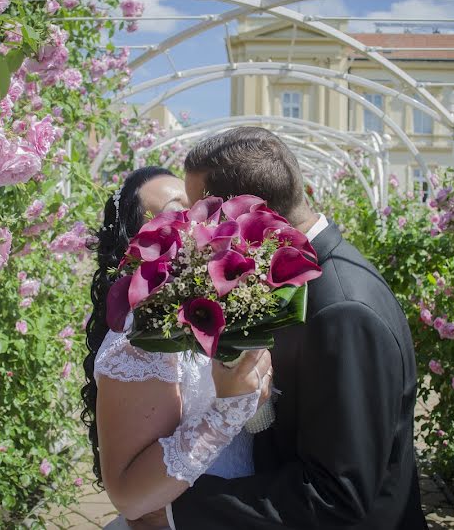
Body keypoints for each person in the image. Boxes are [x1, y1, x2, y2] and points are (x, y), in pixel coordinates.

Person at [158, 126, 428, 529]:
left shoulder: (341, 310)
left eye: (203, 215)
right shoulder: (305, 276)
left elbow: (337, 496)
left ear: (247, 215)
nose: (198, 233)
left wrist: (177, 510)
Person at [81, 166, 273, 530]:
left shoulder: (224, 309)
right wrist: (226, 412)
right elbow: (130, 499)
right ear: (135, 246)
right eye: (172, 212)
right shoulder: (138, 342)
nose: (193, 220)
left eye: (194, 207)